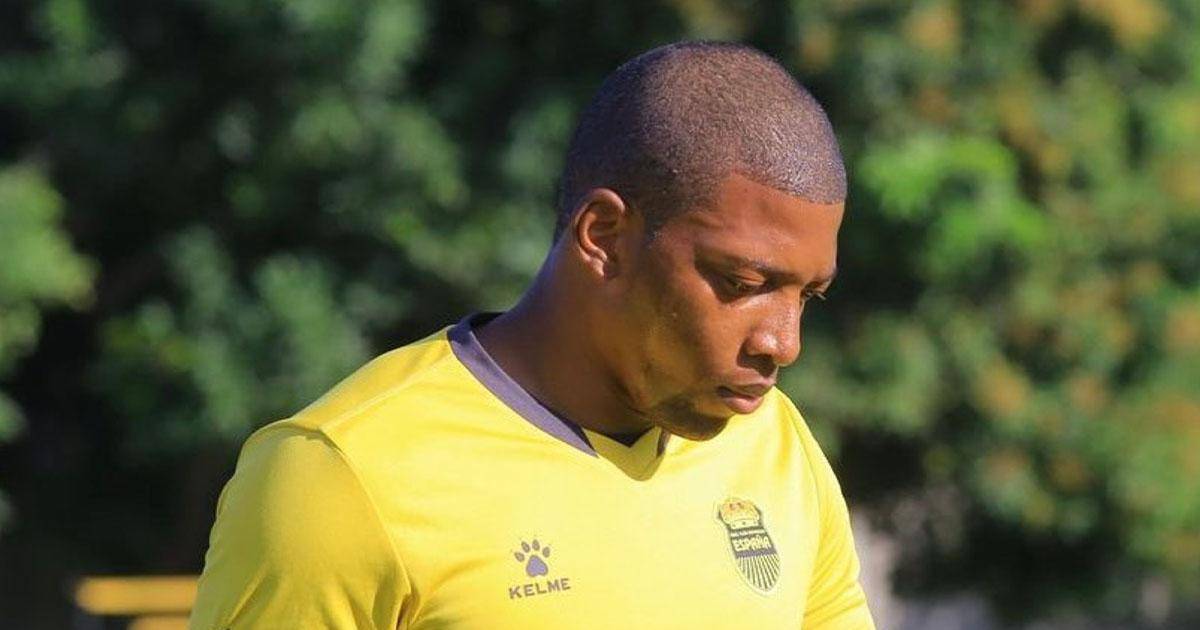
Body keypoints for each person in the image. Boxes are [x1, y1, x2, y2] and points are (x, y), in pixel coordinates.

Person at [191, 41, 875, 629]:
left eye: (808, 295)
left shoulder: (775, 445)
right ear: (604, 237)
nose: (783, 343)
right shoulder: (340, 477)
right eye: (743, 282)